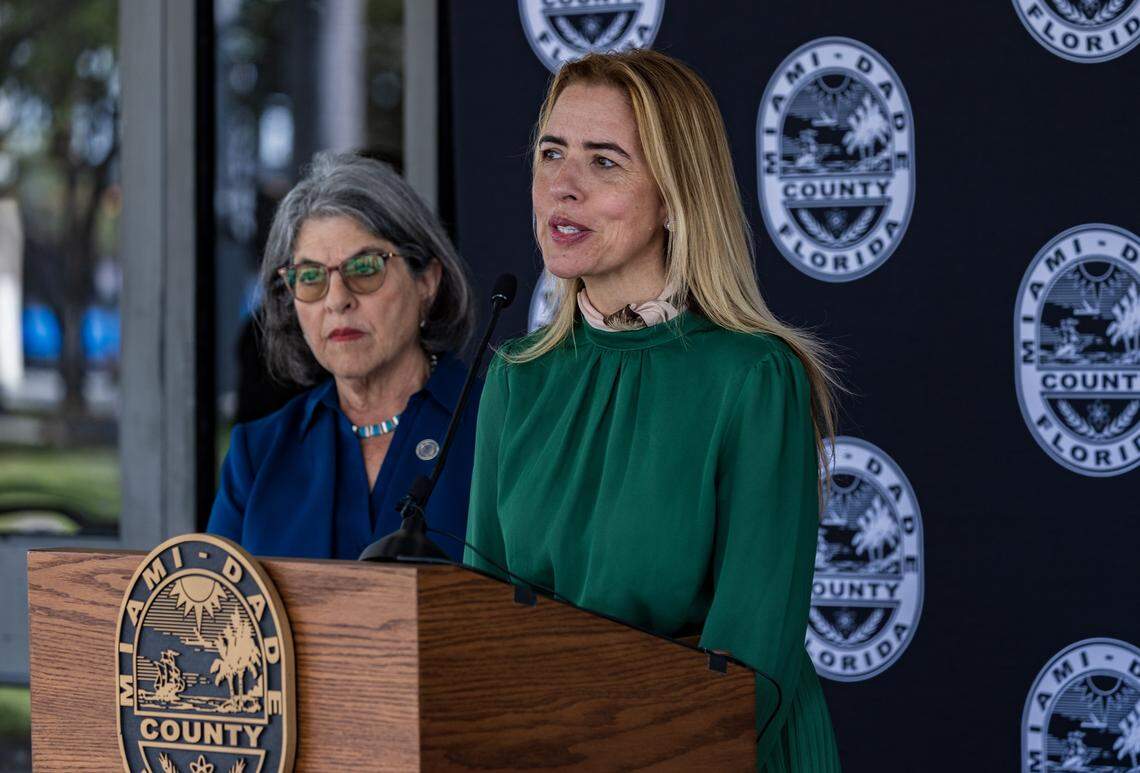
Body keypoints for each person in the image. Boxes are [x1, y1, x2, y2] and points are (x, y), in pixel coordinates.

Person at [465, 50, 842, 771]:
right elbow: (478, 632)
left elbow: (750, 666)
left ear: (673, 196)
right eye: (552, 153)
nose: (562, 187)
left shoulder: (755, 377)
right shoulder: (516, 380)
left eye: (604, 162)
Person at [209, 151, 479, 561]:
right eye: (311, 277)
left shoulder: (498, 428)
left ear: (427, 280)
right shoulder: (258, 454)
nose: (337, 300)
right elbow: (218, 615)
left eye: (366, 268)